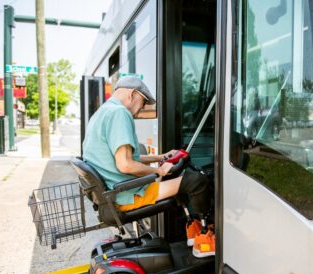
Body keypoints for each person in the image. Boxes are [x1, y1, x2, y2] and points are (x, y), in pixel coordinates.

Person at [82, 76, 215, 258]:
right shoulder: (120, 113)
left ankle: (193, 228)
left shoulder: (102, 112)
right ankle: (205, 236)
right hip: (127, 196)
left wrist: (160, 157)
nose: (142, 109)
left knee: (175, 179)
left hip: (114, 194)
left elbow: (126, 157)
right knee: (197, 180)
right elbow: (125, 164)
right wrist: (158, 170)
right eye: (143, 103)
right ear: (132, 94)